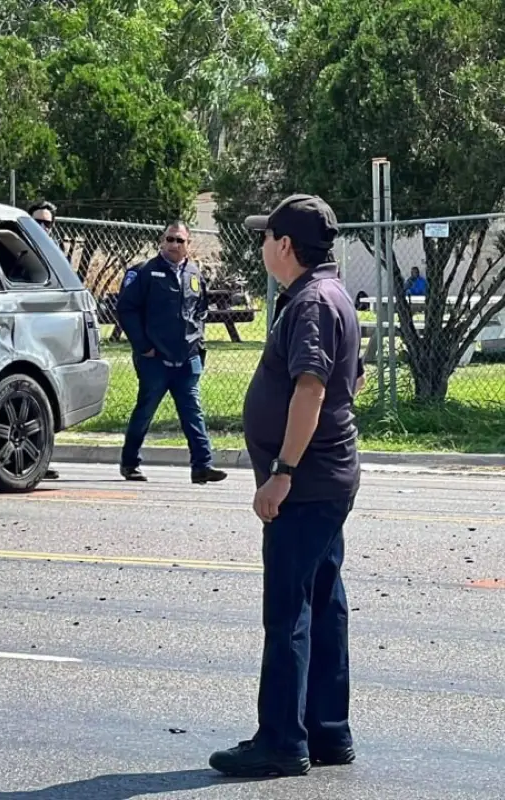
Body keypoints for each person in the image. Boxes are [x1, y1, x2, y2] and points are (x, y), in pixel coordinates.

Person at [209, 194, 364, 778]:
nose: (263, 247)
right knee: (323, 604)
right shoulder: (330, 293)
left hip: (307, 481)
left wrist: (282, 473)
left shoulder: (310, 303)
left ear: (286, 246)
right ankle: (327, 733)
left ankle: (281, 740)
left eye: (266, 237)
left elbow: (311, 389)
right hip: (328, 476)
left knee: (290, 612)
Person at [115, 221, 227, 484]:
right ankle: (130, 462)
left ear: (189, 245)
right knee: (145, 410)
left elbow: (200, 310)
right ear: (161, 241)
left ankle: (202, 465)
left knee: (192, 410)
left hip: (187, 357)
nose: (173, 245)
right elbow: (126, 309)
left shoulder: (194, 273)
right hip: (155, 359)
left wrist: (197, 342)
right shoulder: (144, 272)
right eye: (169, 239)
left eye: (179, 240)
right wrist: (143, 346)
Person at [27, 200, 63, 483]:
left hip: (49, 334)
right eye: (37, 222)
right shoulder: (15, 250)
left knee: (47, 399)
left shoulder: (54, 255)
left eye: (47, 223)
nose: (42, 227)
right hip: (23, 331)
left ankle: (42, 458)